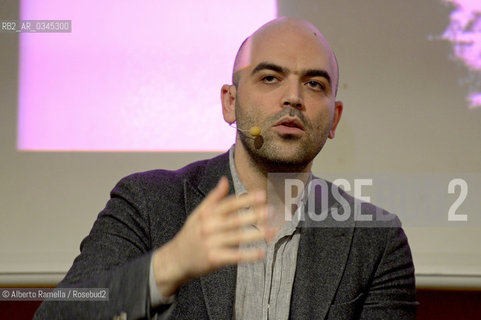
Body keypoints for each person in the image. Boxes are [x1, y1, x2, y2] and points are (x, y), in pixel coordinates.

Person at [34, 17, 417, 319]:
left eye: (314, 84)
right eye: (270, 77)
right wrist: (167, 267)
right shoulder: (148, 204)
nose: (293, 97)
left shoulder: (375, 239)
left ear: (333, 119)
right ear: (230, 103)